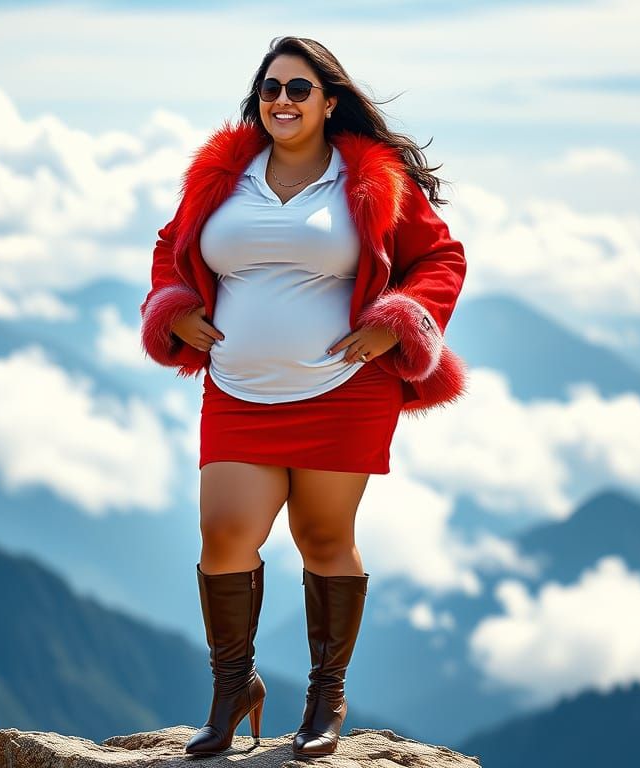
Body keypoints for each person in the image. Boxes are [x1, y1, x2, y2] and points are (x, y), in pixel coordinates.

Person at [139, 36, 467, 758]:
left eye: (297, 88)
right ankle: (234, 688)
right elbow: (173, 243)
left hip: (344, 392)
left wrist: (397, 327)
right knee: (224, 532)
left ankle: (327, 696)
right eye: (269, 88)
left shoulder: (371, 180)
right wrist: (175, 304)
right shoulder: (223, 175)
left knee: (322, 538)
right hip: (237, 391)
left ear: (328, 100)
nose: (281, 101)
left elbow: (441, 257)